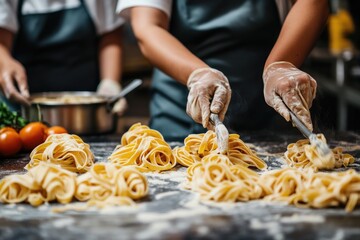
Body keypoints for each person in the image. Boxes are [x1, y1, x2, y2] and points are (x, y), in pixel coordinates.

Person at [116, 0, 329, 141]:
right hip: (179, 112)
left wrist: (280, 64)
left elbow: (314, 3)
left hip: (268, 109)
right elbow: (147, 26)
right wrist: (197, 74)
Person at [0, 0, 126, 115]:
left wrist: (110, 83)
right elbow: (2, 43)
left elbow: (110, 35)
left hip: (86, 109)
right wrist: (5, 61)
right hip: (24, 106)